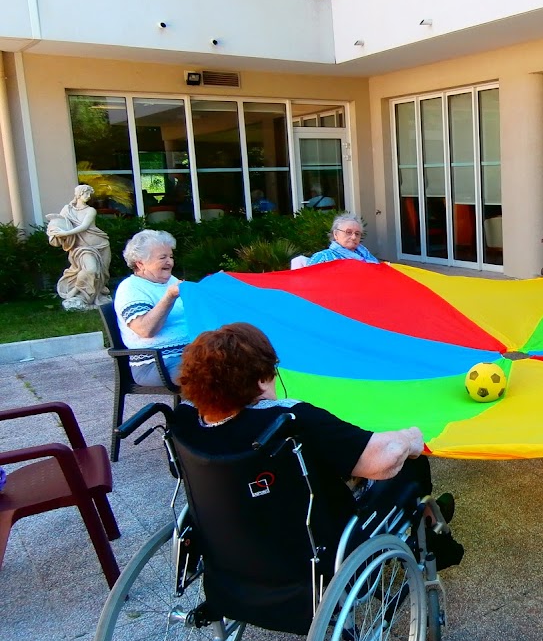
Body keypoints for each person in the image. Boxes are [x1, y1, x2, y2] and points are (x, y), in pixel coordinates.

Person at [173, 322, 462, 572]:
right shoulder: (289, 420)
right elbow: (381, 462)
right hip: (315, 550)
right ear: (261, 379)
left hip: (232, 549)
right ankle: (432, 536)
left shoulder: (186, 424)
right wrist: (410, 437)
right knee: (410, 463)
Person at [113, 229, 189, 386]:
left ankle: (241, 410)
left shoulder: (170, 281)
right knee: (214, 375)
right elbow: (146, 330)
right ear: (140, 263)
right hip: (156, 364)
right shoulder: (131, 288)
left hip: (189, 354)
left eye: (171, 256)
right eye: (163, 257)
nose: (170, 262)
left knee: (244, 364)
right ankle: (193, 410)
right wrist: (169, 297)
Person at [46, 184, 112, 311]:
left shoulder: (90, 210)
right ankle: (76, 291)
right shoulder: (67, 210)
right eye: (85, 193)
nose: (88, 196)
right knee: (91, 269)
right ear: (78, 195)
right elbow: (58, 223)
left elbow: (84, 226)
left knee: (100, 274)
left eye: (89, 194)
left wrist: (65, 233)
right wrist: (53, 234)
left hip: (101, 245)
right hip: (81, 247)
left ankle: (92, 296)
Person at [309, 213, 380, 265]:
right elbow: (308, 280)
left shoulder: (365, 255)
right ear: (336, 234)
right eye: (348, 232)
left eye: (357, 233)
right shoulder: (323, 257)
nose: (354, 237)